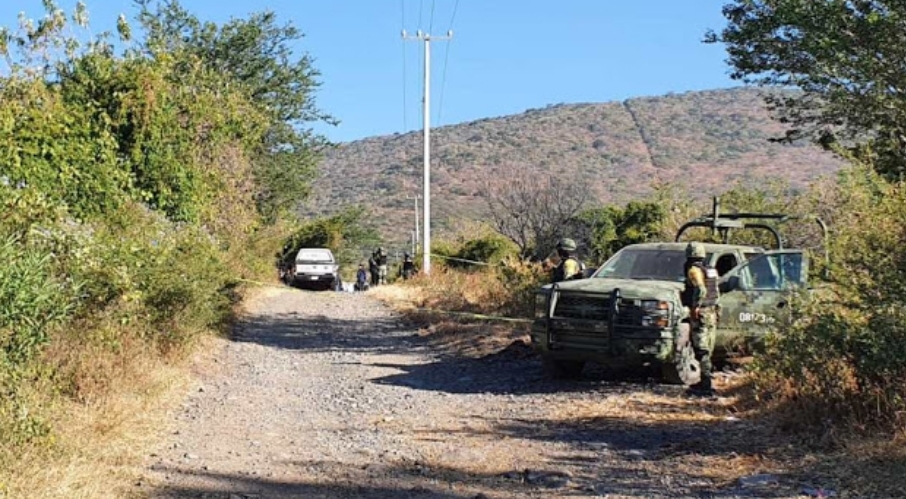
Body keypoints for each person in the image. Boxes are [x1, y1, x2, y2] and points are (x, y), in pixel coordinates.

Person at [682, 242, 720, 397]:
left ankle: (706, 385)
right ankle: (706, 382)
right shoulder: (711, 270)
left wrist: (695, 307)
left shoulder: (694, 270)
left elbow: (701, 289)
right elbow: (715, 291)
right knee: (708, 349)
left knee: (701, 349)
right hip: (712, 312)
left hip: (702, 313)